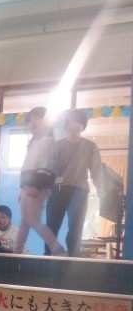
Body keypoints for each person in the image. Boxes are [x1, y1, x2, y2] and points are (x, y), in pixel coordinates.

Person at [45, 108, 104, 257]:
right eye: (71, 122)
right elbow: (49, 169)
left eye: (78, 123)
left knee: (75, 228)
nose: (74, 126)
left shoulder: (90, 146)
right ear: (66, 126)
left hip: (80, 190)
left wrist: (101, 189)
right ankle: (48, 256)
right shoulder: (57, 145)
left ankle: (73, 257)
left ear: (83, 126)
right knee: (51, 226)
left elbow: (97, 170)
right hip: (58, 189)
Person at [13, 106, 66, 256]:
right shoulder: (33, 142)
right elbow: (27, 166)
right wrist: (22, 188)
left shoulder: (48, 140)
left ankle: (59, 251)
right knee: (25, 221)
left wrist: (37, 187)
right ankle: (16, 253)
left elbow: (46, 166)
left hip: (38, 186)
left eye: (37, 118)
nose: (33, 122)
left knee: (33, 220)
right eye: (30, 120)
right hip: (27, 186)